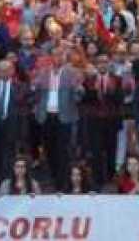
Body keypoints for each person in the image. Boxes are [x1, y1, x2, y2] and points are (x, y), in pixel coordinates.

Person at [33, 47, 84, 191]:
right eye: (55, 54)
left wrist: (78, 91)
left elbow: (79, 93)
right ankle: (53, 179)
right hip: (47, 116)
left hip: (65, 117)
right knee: (49, 150)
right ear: (51, 57)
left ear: (64, 57)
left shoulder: (72, 73)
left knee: (64, 151)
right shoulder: (43, 73)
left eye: (60, 55)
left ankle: (63, 183)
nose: (58, 57)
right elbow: (35, 90)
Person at [81, 53, 124, 187]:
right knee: (96, 150)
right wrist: (93, 92)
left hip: (111, 120)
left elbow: (120, 100)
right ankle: (97, 179)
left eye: (105, 62)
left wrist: (112, 92)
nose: (102, 65)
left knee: (111, 149)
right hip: (94, 121)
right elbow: (85, 100)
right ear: (96, 64)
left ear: (109, 64)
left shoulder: (116, 79)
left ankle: (111, 177)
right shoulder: (89, 80)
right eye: (100, 62)